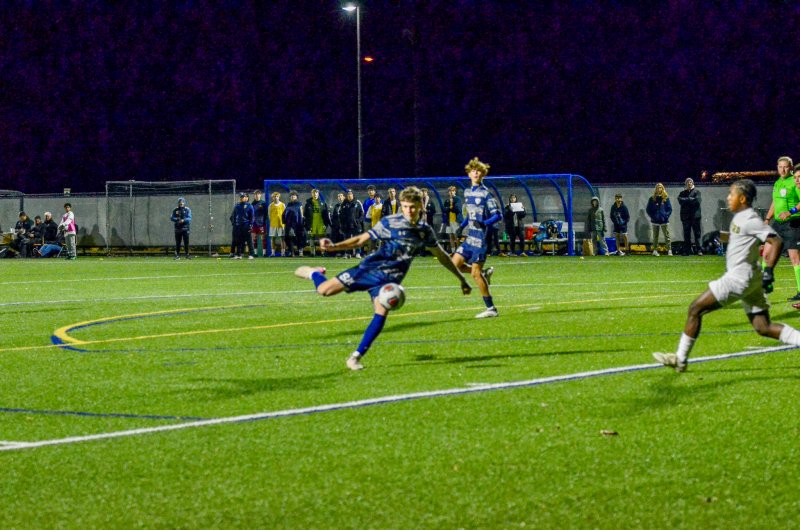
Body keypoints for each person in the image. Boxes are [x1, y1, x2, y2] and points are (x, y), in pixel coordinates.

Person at [294, 186, 471, 370]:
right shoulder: (390, 222)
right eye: (405, 207)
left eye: (412, 207)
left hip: (388, 281)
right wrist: (334, 247)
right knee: (323, 291)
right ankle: (314, 273)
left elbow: (442, 256)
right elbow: (362, 239)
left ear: (420, 206)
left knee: (381, 311)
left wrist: (462, 279)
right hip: (369, 270)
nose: (408, 211)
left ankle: (355, 357)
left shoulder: (424, 230)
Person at [653, 179, 800, 372]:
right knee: (763, 327)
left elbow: (775, 240)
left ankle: (680, 359)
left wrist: (769, 272)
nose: (728, 197)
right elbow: (739, 236)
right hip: (750, 280)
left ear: (743, 198)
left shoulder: (749, 219)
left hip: (739, 278)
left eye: (732, 194)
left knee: (695, 309)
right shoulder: (741, 218)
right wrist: (717, 234)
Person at [452, 157, 502, 318]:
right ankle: (484, 273)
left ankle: (491, 309)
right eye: (473, 170)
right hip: (469, 237)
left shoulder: (486, 194)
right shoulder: (467, 192)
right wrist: (461, 226)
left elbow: (497, 215)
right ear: (469, 173)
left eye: (479, 171)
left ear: (483, 174)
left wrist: (484, 222)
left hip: (481, 239)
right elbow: (470, 214)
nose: (475, 173)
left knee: (474, 274)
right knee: (455, 264)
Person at [764, 156, 800, 301]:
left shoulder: (796, 182)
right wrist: (767, 218)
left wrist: (790, 211)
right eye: (780, 167)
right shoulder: (778, 183)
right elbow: (775, 202)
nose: (783, 169)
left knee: (795, 258)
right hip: (778, 224)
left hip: (792, 224)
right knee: (766, 252)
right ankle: (766, 284)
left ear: (790, 167)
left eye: (786, 167)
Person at [646, 183, 673, 256]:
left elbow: (669, 209)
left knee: (667, 236)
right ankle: (655, 250)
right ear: (656, 189)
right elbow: (648, 209)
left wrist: (666, 216)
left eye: (660, 187)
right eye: (657, 188)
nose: (659, 189)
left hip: (664, 220)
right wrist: (653, 216)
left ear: (662, 189)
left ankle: (669, 250)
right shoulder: (652, 198)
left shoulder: (666, 198)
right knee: (655, 236)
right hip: (655, 221)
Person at [678, 177, 703, 255]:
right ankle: (687, 250)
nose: (689, 184)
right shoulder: (682, 193)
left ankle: (699, 250)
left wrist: (686, 200)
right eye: (687, 182)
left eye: (690, 182)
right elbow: (680, 200)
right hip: (686, 217)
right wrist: (690, 199)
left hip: (695, 217)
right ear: (686, 184)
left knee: (697, 234)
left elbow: (697, 201)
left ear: (693, 183)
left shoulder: (697, 192)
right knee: (686, 234)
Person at [303, 188, 331, 256]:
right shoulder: (308, 204)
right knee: (311, 238)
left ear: (318, 194)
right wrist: (307, 225)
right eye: (313, 193)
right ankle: (312, 253)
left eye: (316, 193)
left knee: (321, 238)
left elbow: (326, 215)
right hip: (312, 223)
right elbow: (305, 215)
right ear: (311, 194)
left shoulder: (322, 203)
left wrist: (326, 224)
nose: (315, 194)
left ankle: (323, 252)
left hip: (320, 223)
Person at [340, 189, 364, 259]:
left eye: (350, 194)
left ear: (353, 195)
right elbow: (341, 215)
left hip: (356, 225)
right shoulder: (344, 203)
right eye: (348, 194)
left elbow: (362, 214)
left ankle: (357, 253)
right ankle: (347, 253)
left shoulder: (357, 202)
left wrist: (358, 221)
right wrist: (342, 223)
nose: (349, 196)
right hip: (347, 225)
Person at [230, 192, 254, 259]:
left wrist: (250, 225)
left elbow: (252, 217)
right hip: (238, 226)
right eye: (241, 197)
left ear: (246, 198)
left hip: (246, 225)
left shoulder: (249, 205)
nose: (242, 198)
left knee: (249, 240)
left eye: (243, 197)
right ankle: (239, 254)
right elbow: (233, 216)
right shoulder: (237, 206)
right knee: (239, 241)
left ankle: (251, 254)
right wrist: (234, 224)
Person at [282, 190, 306, 257]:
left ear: (296, 197)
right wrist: (284, 221)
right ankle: (291, 252)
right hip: (289, 224)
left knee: (300, 237)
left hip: (298, 224)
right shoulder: (288, 205)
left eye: (294, 196)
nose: (292, 197)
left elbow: (301, 214)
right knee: (289, 237)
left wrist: (302, 222)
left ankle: (300, 251)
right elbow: (284, 214)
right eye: (291, 196)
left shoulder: (299, 204)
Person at [443, 185, 463, 253]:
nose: (451, 192)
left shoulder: (457, 199)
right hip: (449, 221)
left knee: (456, 236)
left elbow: (457, 209)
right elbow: (444, 209)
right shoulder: (447, 200)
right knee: (450, 236)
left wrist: (451, 208)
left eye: (452, 191)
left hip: (455, 220)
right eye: (450, 191)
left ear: (455, 191)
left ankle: (458, 251)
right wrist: (449, 208)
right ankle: (453, 251)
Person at [268, 191, 286, 257]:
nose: (276, 197)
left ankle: (283, 253)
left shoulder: (283, 205)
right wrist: (272, 221)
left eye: (277, 196)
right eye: (274, 196)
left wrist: (284, 223)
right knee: (273, 238)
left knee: (282, 238)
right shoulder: (270, 205)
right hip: (273, 224)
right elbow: (269, 215)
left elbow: (284, 215)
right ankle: (273, 253)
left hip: (281, 224)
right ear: (272, 198)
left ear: (279, 197)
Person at [251, 189, 268, 257]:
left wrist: (265, 222)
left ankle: (264, 253)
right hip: (254, 223)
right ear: (254, 196)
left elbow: (266, 213)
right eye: (255, 194)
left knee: (263, 238)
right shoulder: (252, 204)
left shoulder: (263, 203)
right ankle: (255, 253)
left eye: (258, 194)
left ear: (260, 195)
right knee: (254, 238)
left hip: (261, 223)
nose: (257, 196)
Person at [330, 191, 346, 256]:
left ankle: (345, 252)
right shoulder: (336, 206)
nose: (339, 197)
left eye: (340, 196)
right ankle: (338, 252)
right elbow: (334, 216)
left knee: (344, 238)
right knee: (337, 238)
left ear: (344, 197)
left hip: (344, 225)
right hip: (337, 225)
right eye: (338, 196)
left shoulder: (347, 204)